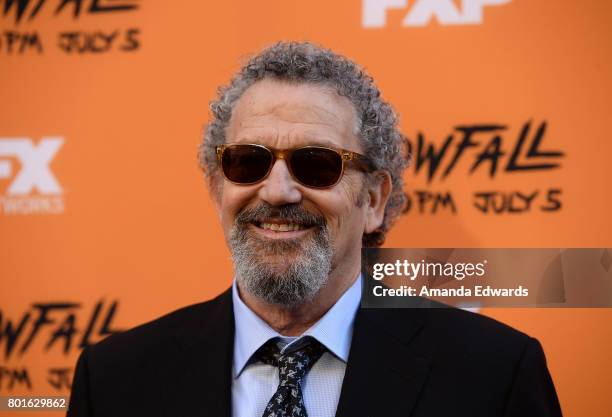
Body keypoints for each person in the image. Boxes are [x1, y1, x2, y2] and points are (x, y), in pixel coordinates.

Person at [67, 41, 562, 417]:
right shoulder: (115, 380)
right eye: (248, 162)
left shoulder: (493, 374)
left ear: (373, 200)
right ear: (219, 187)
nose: (277, 190)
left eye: (316, 164)